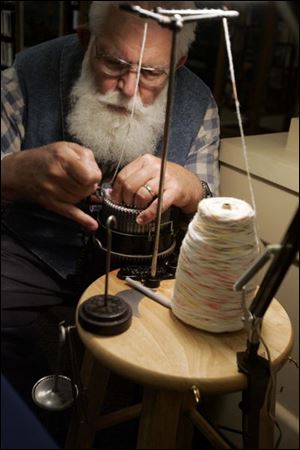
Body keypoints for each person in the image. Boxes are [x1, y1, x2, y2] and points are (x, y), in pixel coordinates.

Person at [1, 0, 220, 412]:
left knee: (179, 347)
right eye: (115, 63)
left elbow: (211, 232)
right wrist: (11, 172)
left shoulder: (199, 104)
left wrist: (193, 190)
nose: (130, 90)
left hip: (138, 267)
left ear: (178, 62)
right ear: (87, 40)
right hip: (31, 248)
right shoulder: (29, 73)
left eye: (152, 72)